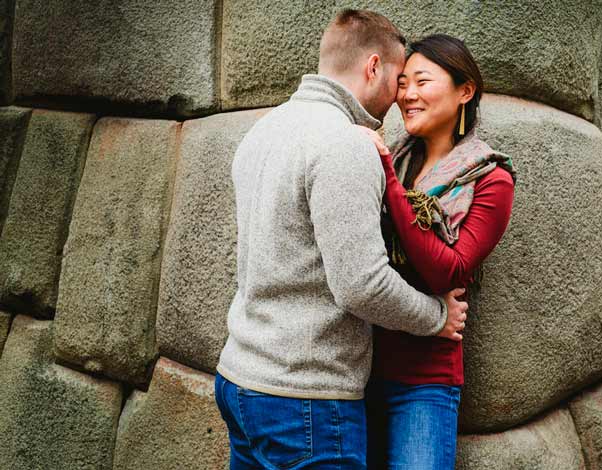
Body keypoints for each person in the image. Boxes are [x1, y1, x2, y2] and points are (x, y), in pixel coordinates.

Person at [213, 11, 469, 469]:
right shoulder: (346, 144)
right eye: (396, 79)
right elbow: (361, 284)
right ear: (373, 67)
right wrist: (436, 316)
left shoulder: (263, 130)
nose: (399, 98)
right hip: (304, 399)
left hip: (239, 381)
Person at [360, 34, 516, 469]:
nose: (407, 95)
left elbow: (449, 271)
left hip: (423, 384)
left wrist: (390, 182)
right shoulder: (398, 160)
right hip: (357, 370)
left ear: (465, 90)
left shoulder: (490, 179)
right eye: (403, 83)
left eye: (422, 82)